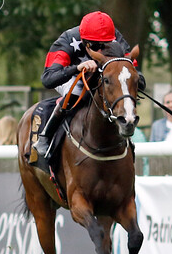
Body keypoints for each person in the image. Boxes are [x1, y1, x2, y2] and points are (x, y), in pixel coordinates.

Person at [33, 11, 144, 160]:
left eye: (105, 44)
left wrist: (135, 78)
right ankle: (46, 137)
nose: (101, 49)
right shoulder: (66, 41)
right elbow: (48, 79)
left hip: (102, 74)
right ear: (84, 40)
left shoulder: (115, 36)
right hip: (71, 76)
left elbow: (130, 67)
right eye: (96, 45)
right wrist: (77, 68)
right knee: (77, 91)